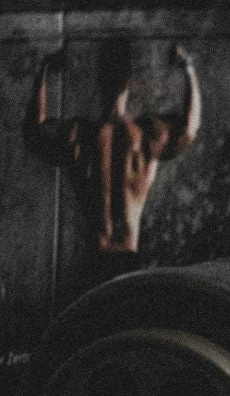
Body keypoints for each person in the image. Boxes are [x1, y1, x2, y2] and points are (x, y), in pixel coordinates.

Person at [25, 39, 202, 291]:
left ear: (98, 82)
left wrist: (44, 68)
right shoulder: (144, 137)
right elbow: (189, 130)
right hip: (129, 255)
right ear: (130, 83)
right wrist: (188, 67)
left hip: (95, 257)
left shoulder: (80, 136)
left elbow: (34, 132)